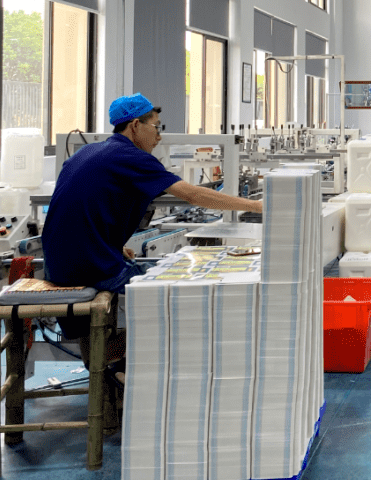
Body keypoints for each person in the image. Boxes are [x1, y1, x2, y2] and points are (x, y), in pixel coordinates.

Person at [42, 94, 263, 340]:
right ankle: (147, 354)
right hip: (92, 269)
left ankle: (105, 359)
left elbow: (80, 208)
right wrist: (257, 206)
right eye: (157, 127)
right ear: (136, 125)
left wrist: (112, 246)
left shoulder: (87, 152)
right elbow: (192, 195)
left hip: (57, 265)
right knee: (185, 290)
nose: (159, 137)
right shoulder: (131, 156)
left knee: (95, 328)